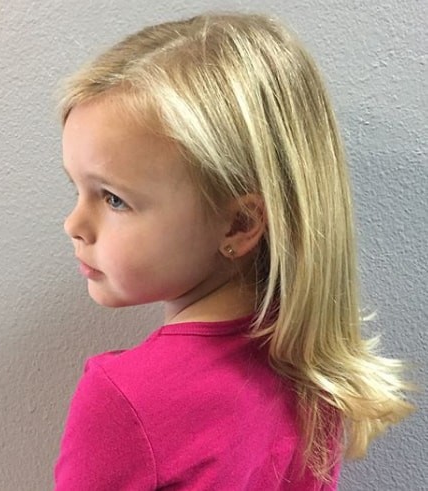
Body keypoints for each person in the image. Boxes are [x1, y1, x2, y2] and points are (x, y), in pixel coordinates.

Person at [53, 12, 413, 490]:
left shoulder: (124, 400)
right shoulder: (314, 366)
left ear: (240, 224)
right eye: (76, 188)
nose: (74, 225)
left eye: (114, 199)